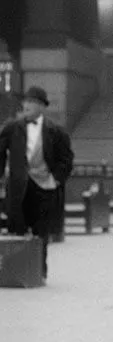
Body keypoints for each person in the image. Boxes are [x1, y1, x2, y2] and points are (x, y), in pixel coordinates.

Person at [0, 85, 74, 282]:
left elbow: (66, 160)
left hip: (44, 187)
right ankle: (16, 272)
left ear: (42, 107)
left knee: (41, 231)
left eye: (32, 103)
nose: (27, 106)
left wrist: (55, 180)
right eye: (25, 102)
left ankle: (39, 271)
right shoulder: (11, 128)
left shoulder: (55, 131)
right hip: (19, 187)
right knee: (17, 228)